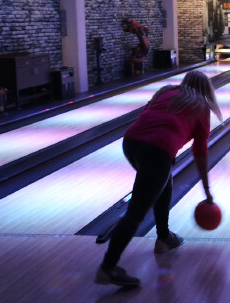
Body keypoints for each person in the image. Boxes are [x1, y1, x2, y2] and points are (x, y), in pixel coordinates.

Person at [95, 70, 222, 287]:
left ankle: (163, 237)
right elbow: (200, 153)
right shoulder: (202, 107)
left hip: (131, 143)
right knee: (136, 211)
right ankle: (108, 268)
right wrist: (207, 191)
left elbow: (147, 115)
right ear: (207, 90)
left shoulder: (166, 91)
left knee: (163, 180)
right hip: (158, 149)